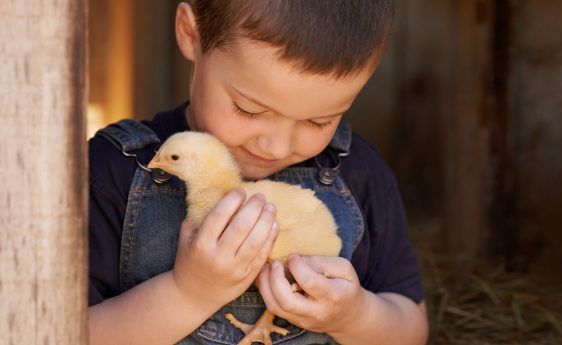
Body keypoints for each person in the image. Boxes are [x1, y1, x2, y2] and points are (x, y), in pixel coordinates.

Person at [88, 1, 429, 344]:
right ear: (192, 35)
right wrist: (186, 295)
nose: (277, 146)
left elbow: (411, 329)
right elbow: (60, 331)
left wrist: (355, 317)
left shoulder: (358, 173)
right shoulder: (111, 174)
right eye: (248, 109)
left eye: (319, 121)